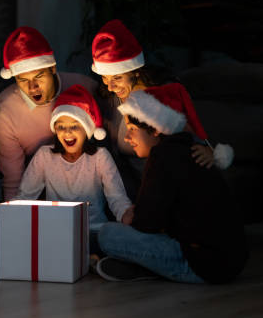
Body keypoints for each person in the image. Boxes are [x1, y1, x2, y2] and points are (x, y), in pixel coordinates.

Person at [96, 85, 248, 284]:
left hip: (203, 264)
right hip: (232, 261)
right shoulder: (187, 149)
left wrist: (131, 218)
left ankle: (150, 267)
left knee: (108, 234)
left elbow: (146, 223)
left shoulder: (164, 156)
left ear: (156, 129)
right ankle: (148, 266)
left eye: (132, 129)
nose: (127, 137)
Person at [90, 19, 233, 198]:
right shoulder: (110, 100)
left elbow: (194, 131)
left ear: (135, 70)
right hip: (132, 193)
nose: (110, 86)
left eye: (117, 78)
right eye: (104, 77)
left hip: (171, 190)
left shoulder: (164, 96)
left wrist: (208, 151)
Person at [0, 85, 133, 254]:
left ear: (87, 129)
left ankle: (100, 261)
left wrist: (127, 215)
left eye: (74, 126)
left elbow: (117, 198)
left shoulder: (100, 156)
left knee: (114, 237)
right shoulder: (45, 156)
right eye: (61, 127)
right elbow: (24, 198)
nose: (67, 133)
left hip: (94, 232)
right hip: (55, 233)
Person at [0, 26, 98, 202]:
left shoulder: (85, 87)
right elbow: (14, 183)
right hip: (41, 194)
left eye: (38, 77)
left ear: (52, 68)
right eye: (23, 80)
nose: (32, 87)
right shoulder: (5, 112)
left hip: (92, 189)